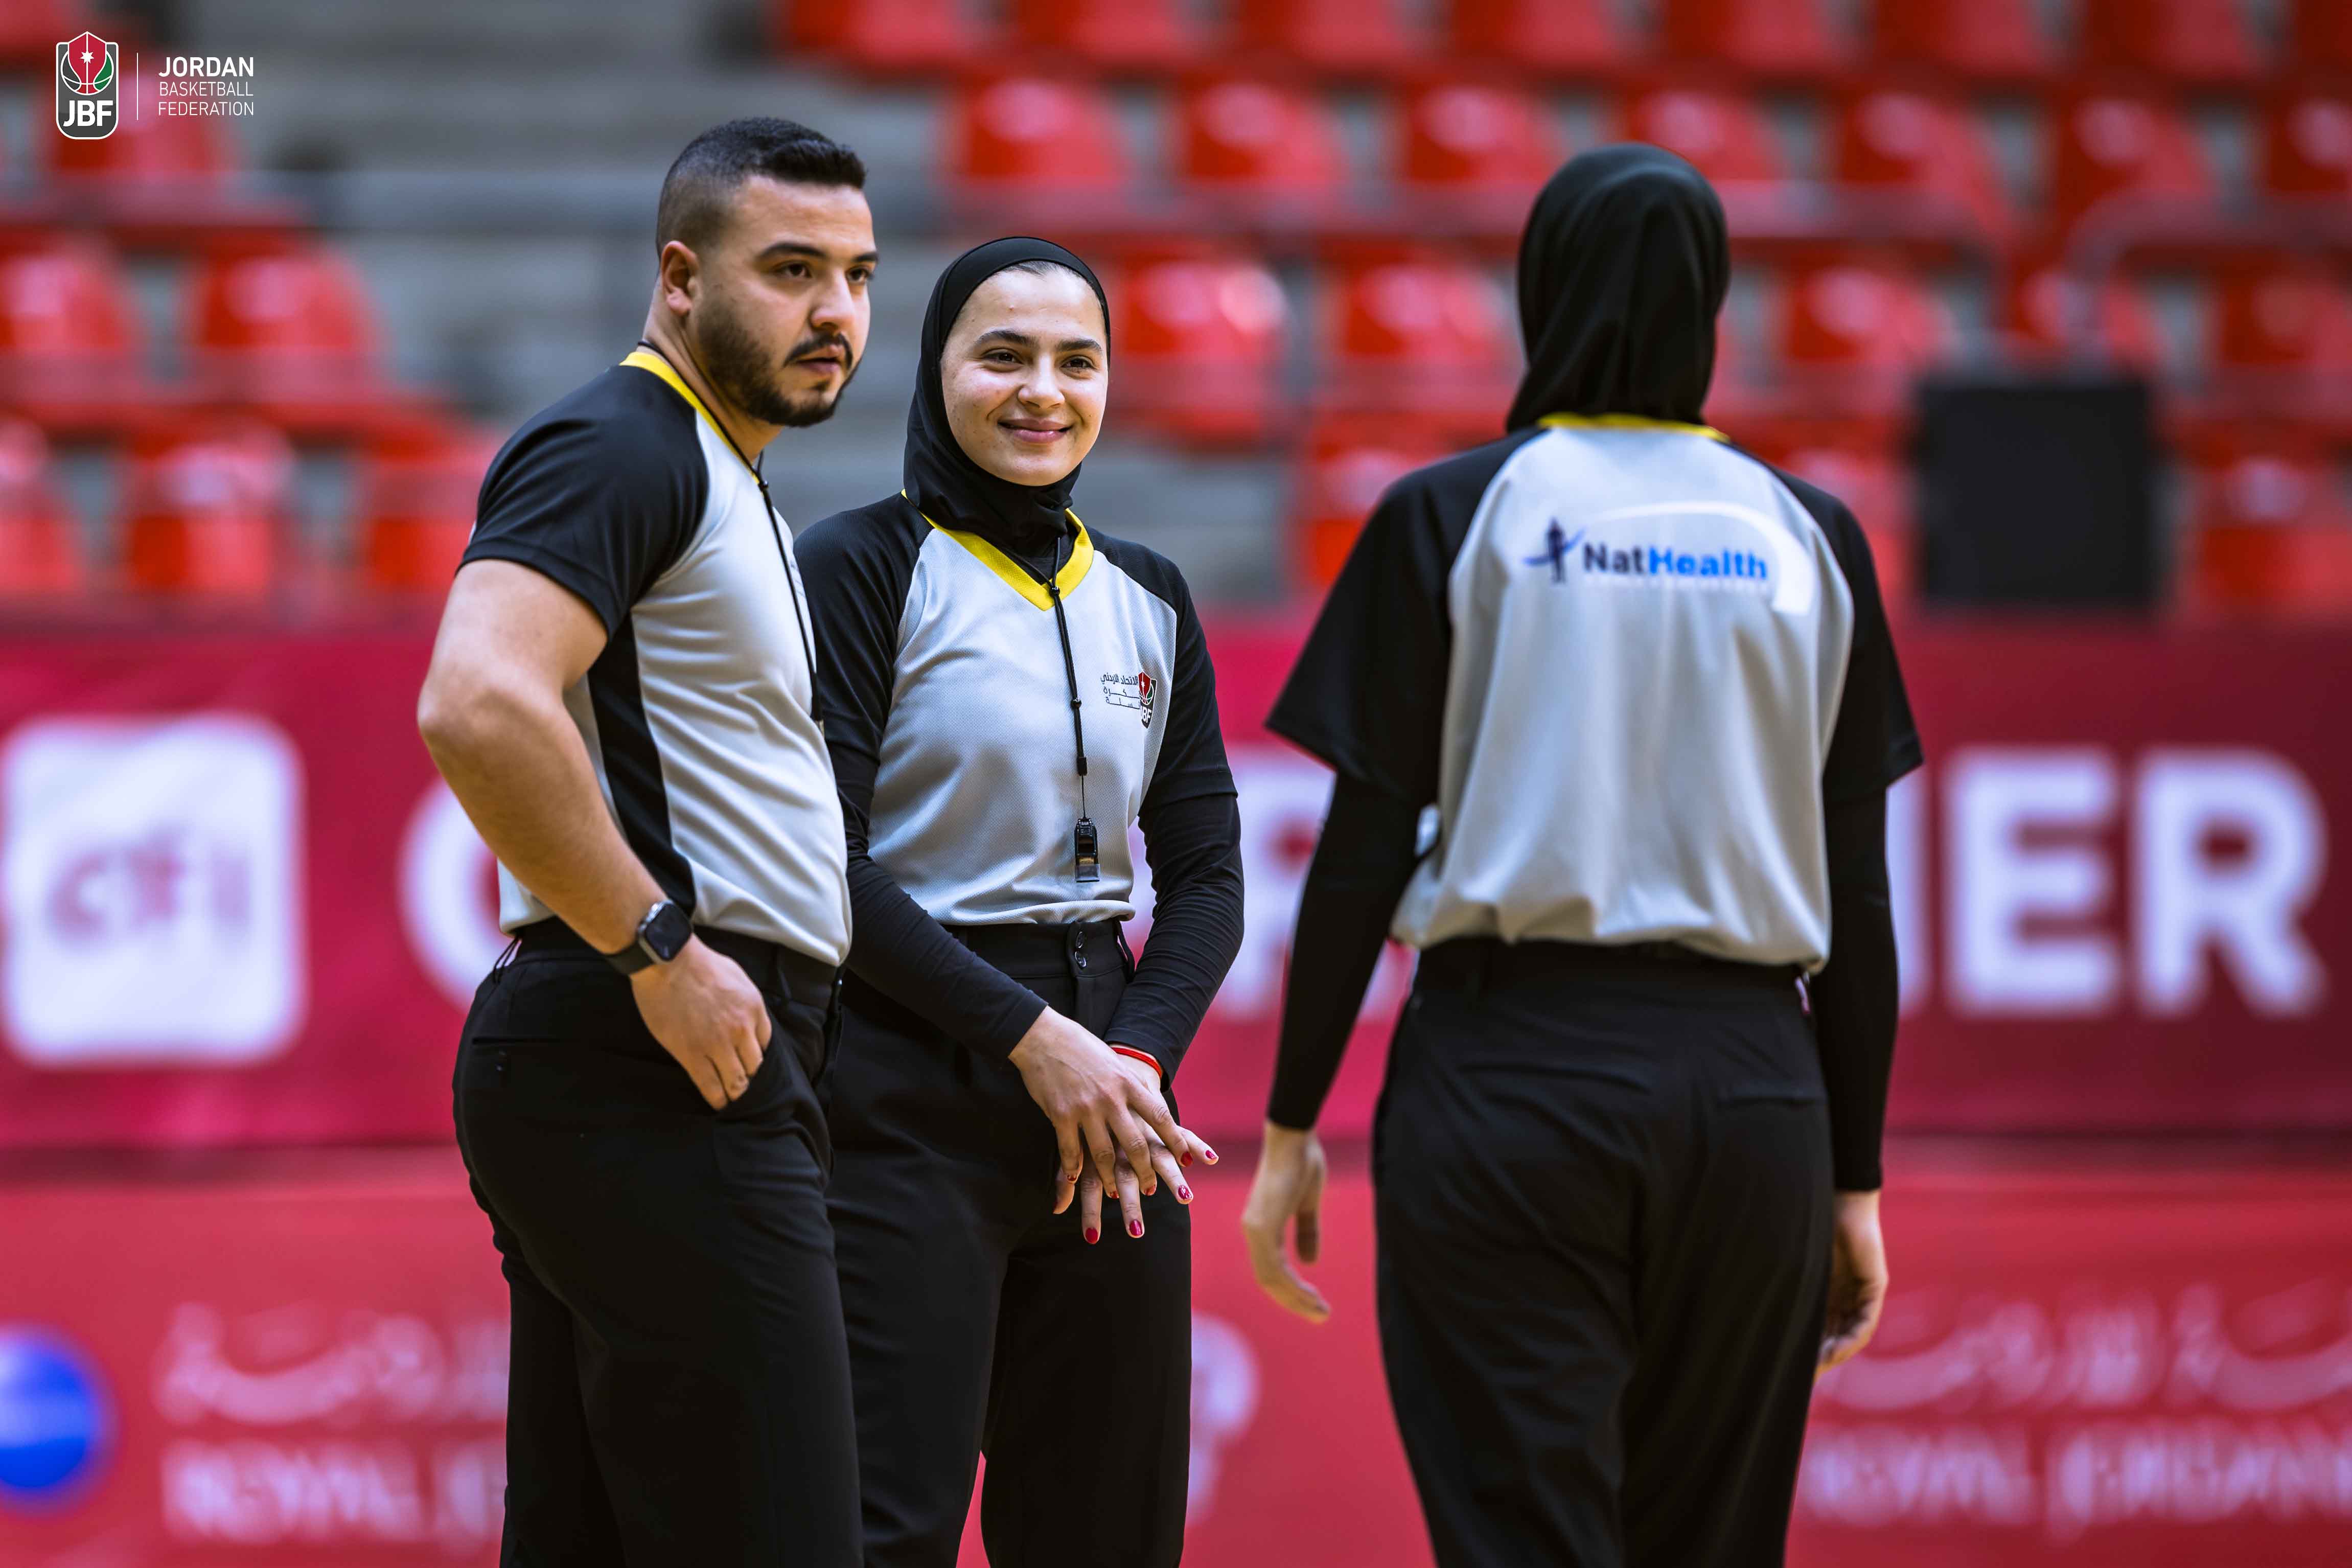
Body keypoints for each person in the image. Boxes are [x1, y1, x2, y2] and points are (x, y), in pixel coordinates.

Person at [1238, 145, 1923, 1567]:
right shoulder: (1815, 536)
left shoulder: (1449, 511)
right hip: (1753, 1093)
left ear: (1539, 290)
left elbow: (1358, 855)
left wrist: (1292, 1123)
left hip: (1509, 1077)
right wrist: (1851, 1175)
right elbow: (1858, 897)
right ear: (1713, 302)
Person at [417, 118, 877, 1567]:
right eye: (791, 270)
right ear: (681, 279)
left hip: (641, 1051)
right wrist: (658, 947)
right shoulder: (626, 440)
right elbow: (477, 700)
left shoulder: (721, 471)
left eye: (858, 276)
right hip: (654, 1050)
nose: (836, 311)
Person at [796, 236, 1243, 1568]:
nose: (1044, 390)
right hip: (899, 1076)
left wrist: (1132, 1057)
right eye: (1004, 355)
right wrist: (1031, 1040)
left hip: (1112, 1092)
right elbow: (821, 865)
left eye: (1077, 360)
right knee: (883, 1527)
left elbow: (1209, 876)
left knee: (1108, 1530)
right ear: (936, 371)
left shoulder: (1152, 594)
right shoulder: (858, 565)